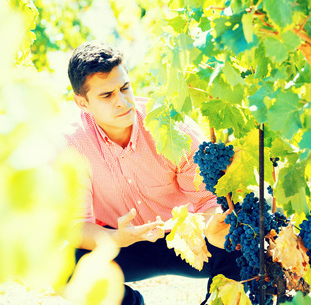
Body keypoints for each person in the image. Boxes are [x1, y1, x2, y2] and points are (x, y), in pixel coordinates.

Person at [65, 41, 240, 305]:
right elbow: (76, 225)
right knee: (64, 265)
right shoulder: (72, 144)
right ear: (82, 103)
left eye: (124, 88)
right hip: (122, 242)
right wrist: (116, 237)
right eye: (106, 95)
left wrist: (211, 225)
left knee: (239, 235)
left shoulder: (173, 128)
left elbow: (207, 201)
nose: (122, 102)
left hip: (189, 238)